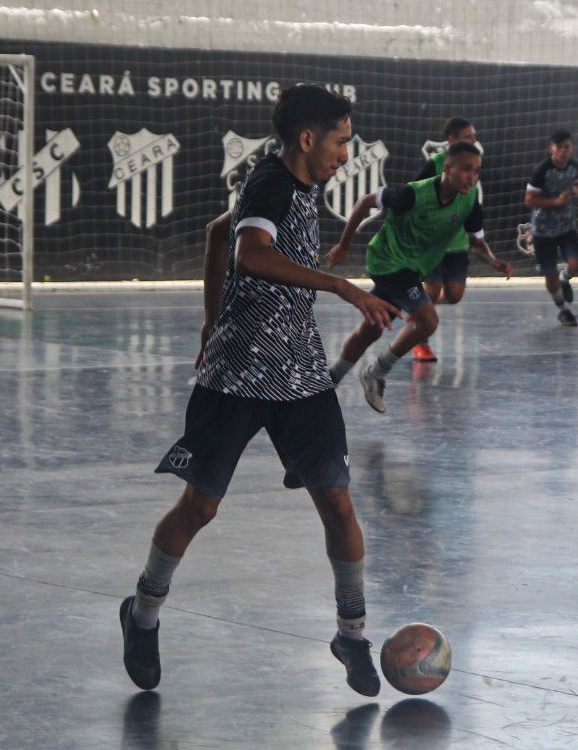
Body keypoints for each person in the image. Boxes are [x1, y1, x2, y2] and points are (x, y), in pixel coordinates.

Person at [119, 85, 400, 698]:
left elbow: (218, 234)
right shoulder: (272, 182)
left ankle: (351, 633)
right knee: (201, 508)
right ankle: (141, 614)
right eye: (341, 140)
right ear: (308, 139)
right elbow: (249, 253)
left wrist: (207, 314)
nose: (346, 154)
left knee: (338, 501)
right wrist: (342, 287)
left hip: (299, 375)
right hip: (240, 374)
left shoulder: (293, 183)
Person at [326, 141, 506, 414]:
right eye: (467, 169)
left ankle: (330, 381)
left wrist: (492, 260)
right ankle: (376, 371)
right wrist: (344, 245)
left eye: (477, 171)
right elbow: (364, 203)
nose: (472, 176)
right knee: (427, 319)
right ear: (447, 168)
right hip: (388, 261)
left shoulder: (469, 201)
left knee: (372, 328)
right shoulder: (413, 194)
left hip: (413, 268)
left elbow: (476, 241)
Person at [410, 117, 512, 362]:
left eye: (475, 138)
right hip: (430, 245)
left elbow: (476, 233)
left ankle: (420, 308)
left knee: (454, 295)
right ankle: (420, 341)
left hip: (456, 246)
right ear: (452, 141)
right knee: (431, 290)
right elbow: (412, 200)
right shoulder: (433, 166)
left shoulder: (471, 186)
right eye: (468, 138)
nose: (474, 141)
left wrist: (492, 259)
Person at [525, 129, 578, 326]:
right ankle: (563, 310)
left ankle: (565, 278)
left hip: (566, 227)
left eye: (567, 147)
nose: (564, 151)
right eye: (559, 148)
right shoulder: (543, 170)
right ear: (551, 149)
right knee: (549, 276)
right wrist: (556, 201)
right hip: (543, 231)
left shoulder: (575, 167)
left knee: (577, 264)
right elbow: (529, 199)